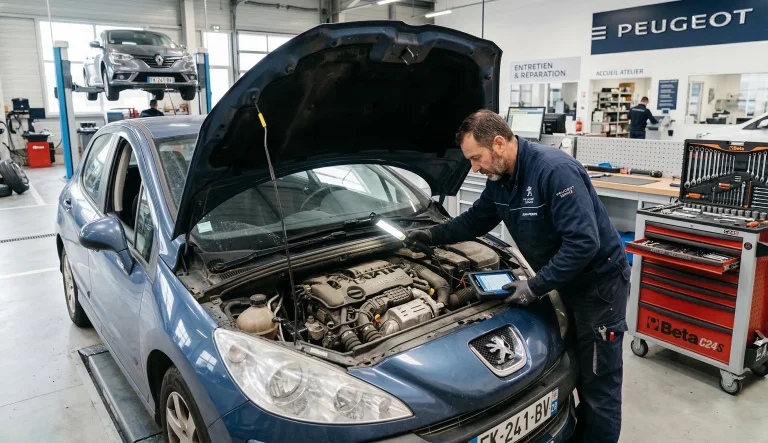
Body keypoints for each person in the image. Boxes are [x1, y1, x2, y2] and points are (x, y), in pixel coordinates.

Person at [406, 110, 630, 443]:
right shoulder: (500, 180)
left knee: (599, 385)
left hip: (598, 288)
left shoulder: (555, 172)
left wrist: (534, 286)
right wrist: (432, 236)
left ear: (498, 143)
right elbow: (475, 220)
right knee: (576, 369)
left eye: (477, 158)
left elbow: (584, 244)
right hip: (563, 280)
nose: (475, 167)